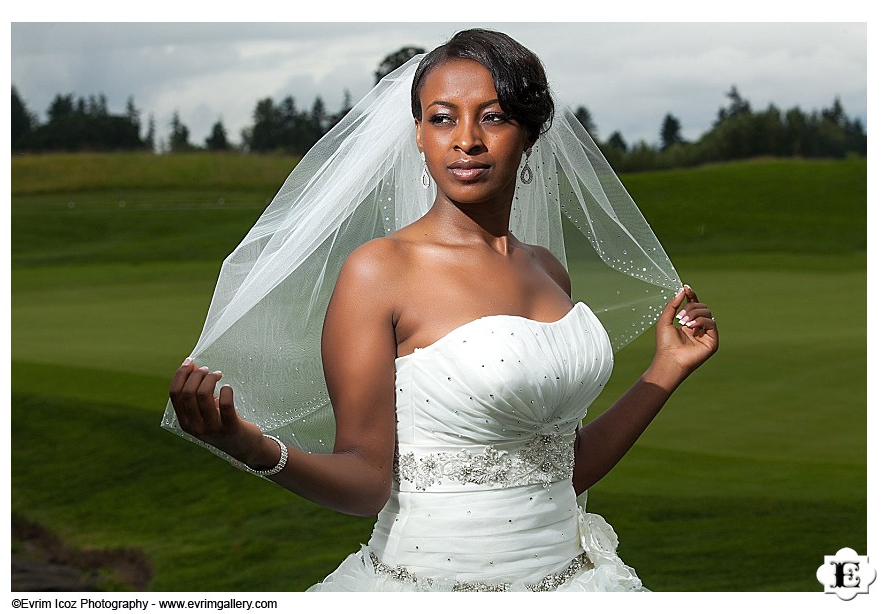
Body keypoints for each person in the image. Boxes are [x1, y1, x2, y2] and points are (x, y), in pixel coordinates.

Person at [166, 29, 717, 591]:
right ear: (418, 135)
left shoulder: (549, 271)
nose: (467, 141)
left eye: (494, 117)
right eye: (442, 118)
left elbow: (563, 469)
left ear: (529, 133)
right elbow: (364, 481)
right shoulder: (379, 271)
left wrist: (665, 369)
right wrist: (255, 449)